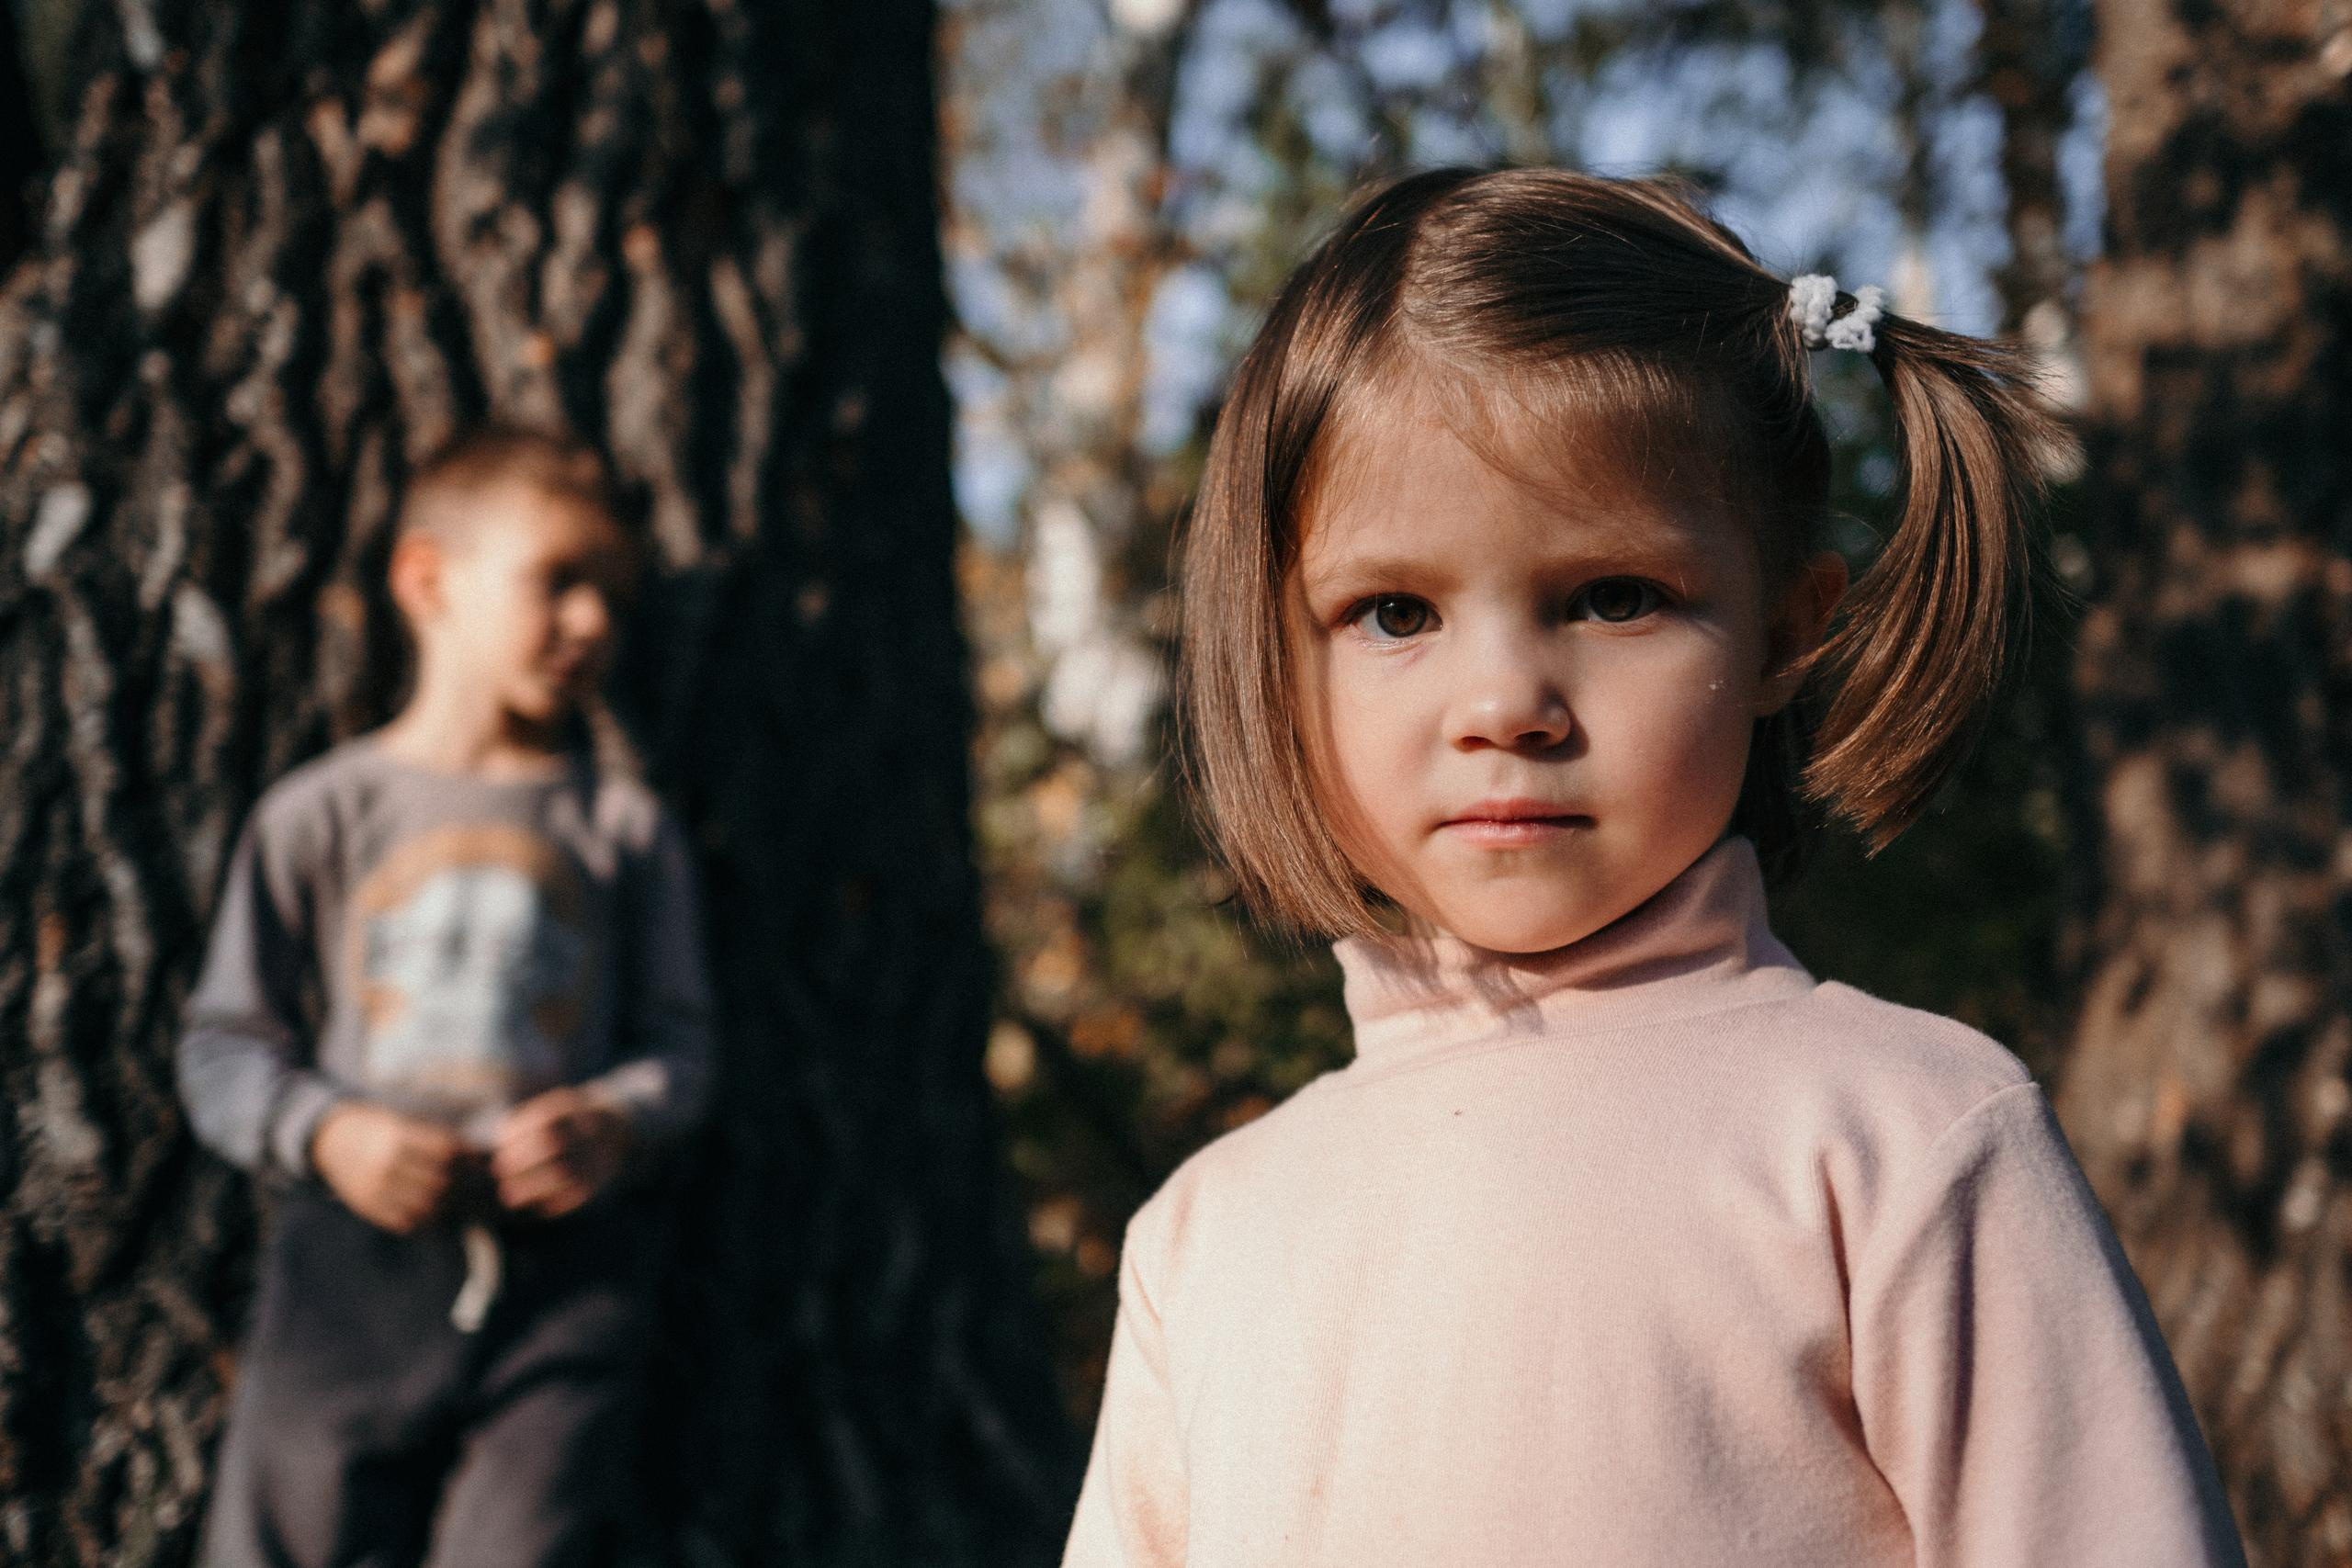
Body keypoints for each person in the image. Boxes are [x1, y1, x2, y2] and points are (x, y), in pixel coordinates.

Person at [1062, 169, 2245, 1565]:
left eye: (1613, 596)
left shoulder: (1901, 1139)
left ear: (1787, 633)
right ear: (1278, 651)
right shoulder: (1207, 1238)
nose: (1503, 699)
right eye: (1394, 611)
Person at [179, 425, 715, 1568]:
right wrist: (326, 1135)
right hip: (350, 1266)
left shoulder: (624, 830)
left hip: (568, 1285)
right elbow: (224, 1045)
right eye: (558, 582)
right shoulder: (320, 815)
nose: (593, 625)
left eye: (613, 598)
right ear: (427, 579)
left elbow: (682, 1047)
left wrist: (613, 1123)